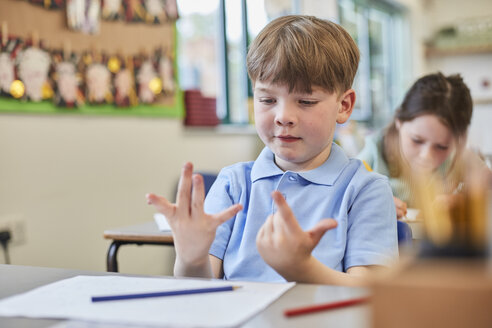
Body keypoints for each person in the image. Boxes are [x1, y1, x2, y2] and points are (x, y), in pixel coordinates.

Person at [147, 15, 398, 286]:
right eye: (267, 99)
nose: (283, 116)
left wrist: (301, 269)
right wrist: (191, 258)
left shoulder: (365, 189)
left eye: (305, 101)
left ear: (344, 106)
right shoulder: (234, 183)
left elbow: (372, 294)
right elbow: (198, 288)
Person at [357, 72, 491, 219]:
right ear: (399, 122)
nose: (426, 156)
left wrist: (464, 202)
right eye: (416, 140)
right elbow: (341, 201)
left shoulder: (460, 158)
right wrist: (369, 203)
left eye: (442, 146)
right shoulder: (374, 154)